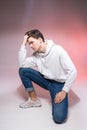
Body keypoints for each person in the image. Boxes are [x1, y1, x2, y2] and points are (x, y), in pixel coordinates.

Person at [18, 29, 77, 124]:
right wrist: (23, 44)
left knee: (59, 118)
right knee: (23, 71)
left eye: (32, 42)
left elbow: (73, 71)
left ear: (40, 40)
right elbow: (22, 64)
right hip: (45, 80)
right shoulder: (36, 55)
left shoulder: (58, 50)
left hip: (58, 85)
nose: (31, 46)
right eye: (29, 44)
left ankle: (60, 94)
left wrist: (64, 91)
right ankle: (33, 100)